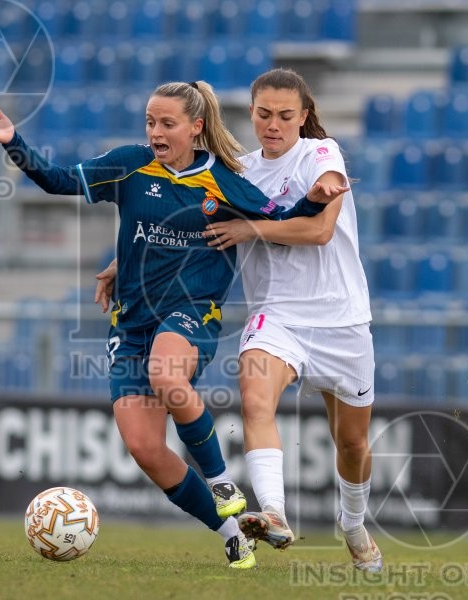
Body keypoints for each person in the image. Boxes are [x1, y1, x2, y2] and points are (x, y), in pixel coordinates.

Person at [0, 80, 327, 570]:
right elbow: (58, 180)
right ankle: (231, 533)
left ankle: (222, 481)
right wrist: (15, 143)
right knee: (143, 447)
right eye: (150, 122)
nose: (156, 132)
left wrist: (317, 198)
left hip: (191, 313)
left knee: (167, 374)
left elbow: (282, 219)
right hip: (131, 323)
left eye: (167, 124)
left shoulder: (222, 179)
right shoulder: (130, 164)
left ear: (195, 127)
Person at [94, 68, 382, 573]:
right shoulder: (239, 173)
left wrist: (251, 227)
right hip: (278, 315)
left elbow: (318, 230)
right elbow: (182, 225)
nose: (273, 124)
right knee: (254, 397)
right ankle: (272, 511)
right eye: (264, 114)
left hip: (342, 319)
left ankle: (354, 523)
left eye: (285, 115)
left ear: (304, 116)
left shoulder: (321, 154)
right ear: (251, 113)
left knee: (353, 442)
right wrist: (124, 262)